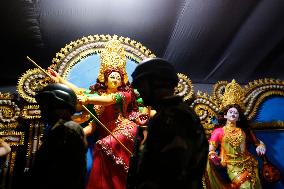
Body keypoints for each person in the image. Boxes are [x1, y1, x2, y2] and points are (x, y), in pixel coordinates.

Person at [48, 39, 150, 189]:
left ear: (122, 80)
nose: (115, 79)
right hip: (105, 136)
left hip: (125, 130)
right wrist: (60, 80)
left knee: (103, 145)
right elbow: (91, 121)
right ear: (105, 78)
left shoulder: (125, 94)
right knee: (104, 159)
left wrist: (88, 98)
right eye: (112, 76)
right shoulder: (96, 98)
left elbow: (108, 100)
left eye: (118, 77)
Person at [129, 57, 209, 189]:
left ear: (156, 83)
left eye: (141, 85)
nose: (139, 92)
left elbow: (170, 172)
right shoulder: (171, 114)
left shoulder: (173, 117)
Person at [206, 80, 266, 189]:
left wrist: (261, 146)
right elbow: (211, 149)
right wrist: (212, 155)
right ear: (225, 115)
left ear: (238, 117)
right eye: (231, 112)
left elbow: (257, 142)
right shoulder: (219, 131)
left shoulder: (243, 131)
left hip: (249, 164)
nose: (233, 114)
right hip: (232, 166)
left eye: (236, 113)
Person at [29, 83, 87, 189]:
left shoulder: (69, 128)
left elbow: (65, 172)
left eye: (47, 105)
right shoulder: (56, 129)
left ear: (61, 106)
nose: (43, 110)